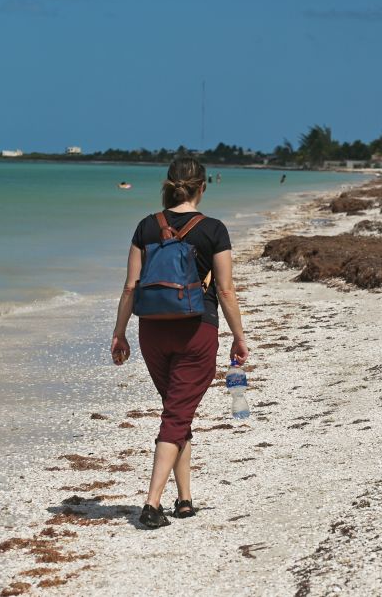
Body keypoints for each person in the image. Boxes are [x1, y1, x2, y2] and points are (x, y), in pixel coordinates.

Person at [110, 157, 250, 529]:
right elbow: (225, 290)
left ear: (168, 185)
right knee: (177, 414)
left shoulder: (145, 226)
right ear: (203, 186)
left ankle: (184, 499)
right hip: (196, 330)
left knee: (177, 410)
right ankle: (152, 503)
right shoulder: (214, 230)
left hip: (152, 331)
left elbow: (130, 287)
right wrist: (239, 336)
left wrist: (119, 332)